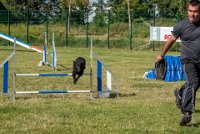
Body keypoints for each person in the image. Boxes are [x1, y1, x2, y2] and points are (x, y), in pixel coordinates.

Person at [156, 0, 200, 126]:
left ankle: (180, 94)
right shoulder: (181, 25)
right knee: (194, 83)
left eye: (195, 11)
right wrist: (162, 55)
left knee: (194, 83)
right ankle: (186, 112)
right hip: (188, 59)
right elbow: (171, 40)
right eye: (190, 11)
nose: (192, 14)